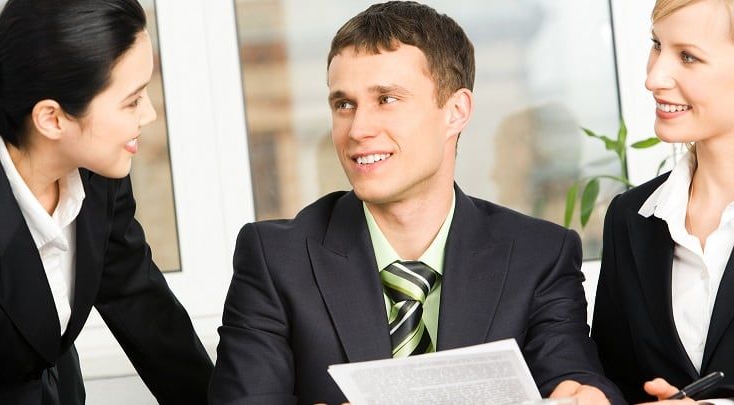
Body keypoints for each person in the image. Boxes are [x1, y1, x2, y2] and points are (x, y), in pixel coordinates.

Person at [210, 2, 624, 404]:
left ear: (456, 111)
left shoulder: (539, 256)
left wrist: (585, 395)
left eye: (386, 99)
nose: (358, 129)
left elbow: (573, 375)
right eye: (344, 104)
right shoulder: (275, 259)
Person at [0, 0, 212, 403]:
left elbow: (142, 306)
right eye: (132, 101)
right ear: (52, 119)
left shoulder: (96, 171)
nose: (149, 115)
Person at [592, 0, 734, 403]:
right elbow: (613, 379)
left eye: (688, 56)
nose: (653, 78)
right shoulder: (629, 217)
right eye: (657, 45)